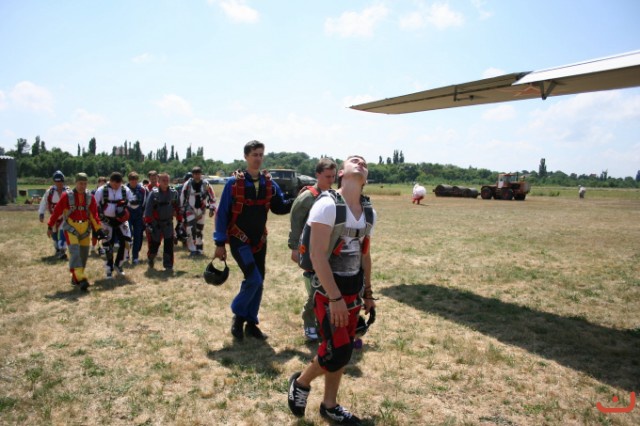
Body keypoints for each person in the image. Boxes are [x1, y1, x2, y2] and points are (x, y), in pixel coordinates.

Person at [288, 155, 376, 425]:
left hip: (353, 292)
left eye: (364, 162)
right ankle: (301, 383)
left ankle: (330, 405)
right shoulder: (327, 205)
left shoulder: (368, 211)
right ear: (341, 173)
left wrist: (368, 292)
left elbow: (365, 255)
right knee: (336, 350)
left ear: (366, 177)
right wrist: (335, 298)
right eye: (354, 160)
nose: (360, 162)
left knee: (343, 348)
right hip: (329, 292)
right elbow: (317, 256)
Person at [213, 140, 292, 340]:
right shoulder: (234, 184)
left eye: (260, 154)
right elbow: (222, 214)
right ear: (246, 157)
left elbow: (279, 207)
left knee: (259, 281)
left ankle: (251, 323)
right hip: (239, 240)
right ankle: (238, 317)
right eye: (254, 154)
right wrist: (219, 243)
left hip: (260, 241)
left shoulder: (269, 183)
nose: (258, 158)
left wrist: (299, 199)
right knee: (254, 279)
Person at [288, 158, 337, 342]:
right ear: (317, 175)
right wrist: (295, 248)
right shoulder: (307, 198)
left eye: (333, 176)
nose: (331, 180)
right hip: (310, 250)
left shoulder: (334, 196)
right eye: (327, 176)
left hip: (329, 249)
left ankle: (323, 321)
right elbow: (295, 223)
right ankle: (309, 321)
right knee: (316, 288)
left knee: (328, 286)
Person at [47, 173, 106, 291]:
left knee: (83, 255)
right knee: (75, 253)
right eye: (80, 183)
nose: (82, 186)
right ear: (76, 183)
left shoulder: (90, 197)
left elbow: (94, 215)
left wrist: (99, 229)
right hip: (71, 229)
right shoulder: (66, 196)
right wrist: (50, 226)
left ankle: (76, 277)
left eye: (85, 184)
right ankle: (81, 279)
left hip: (85, 229)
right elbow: (57, 211)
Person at [93, 172, 140, 278]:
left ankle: (118, 264)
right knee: (107, 246)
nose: (116, 186)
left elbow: (133, 203)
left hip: (121, 220)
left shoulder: (125, 190)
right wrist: (98, 219)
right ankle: (109, 268)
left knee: (127, 242)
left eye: (118, 184)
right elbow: (94, 205)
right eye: (114, 184)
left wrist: (132, 202)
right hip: (106, 221)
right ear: (110, 181)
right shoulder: (101, 190)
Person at [144, 173, 183, 271]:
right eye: (163, 180)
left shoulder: (174, 193)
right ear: (159, 181)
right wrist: (148, 223)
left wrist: (180, 221)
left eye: (167, 180)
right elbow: (148, 209)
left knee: (169, 244)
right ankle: (151, 258)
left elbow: (178, 208)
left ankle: (168, 265)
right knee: (155, 244)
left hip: (168, 223)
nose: (165, 182)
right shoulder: (153, 193)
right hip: (156, 224)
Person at [181, 166, 217, 256]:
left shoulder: (206, 184)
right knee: (190, 229)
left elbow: (212, 196)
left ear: (201, 174)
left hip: (201, 210)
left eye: (198, 174)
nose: (197, 176)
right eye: (195, 174)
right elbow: (183, 196)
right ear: (192, 175)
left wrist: (212, 208)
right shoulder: (188, 184)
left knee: (199, 230)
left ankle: (199, 249)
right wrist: (182, 209)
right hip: (190, 209)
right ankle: (192, 249)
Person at [39, 170, 69, 259]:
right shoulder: (50, 191)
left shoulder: (68, 191)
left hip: (64, 217)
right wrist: (41, 213)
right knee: (54, 233)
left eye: (60, 182)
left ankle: (62, 250)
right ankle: (57, 248)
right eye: (57, 182)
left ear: (63, 181)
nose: (59, 184)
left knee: (63, 231)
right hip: (54, 216)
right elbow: (44, 202)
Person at [126, 171, 148, 265]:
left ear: (137, 180)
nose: (133, 181)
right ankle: (126, 254)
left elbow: (145, 203)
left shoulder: (143, 189)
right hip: (128, 215)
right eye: (131, 180)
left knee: (138, 236)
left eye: (135, 179)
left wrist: (144, 215)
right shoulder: (124, 189)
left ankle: (135, 256)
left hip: (139, 215)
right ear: (129, 180)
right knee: (128, 235)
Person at [90, 176, 107, 255]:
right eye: (101, 183)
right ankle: (93, 246)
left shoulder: (107, 193)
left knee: (104, 231)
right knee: (95, 232)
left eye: (104, 183)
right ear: (98, 183)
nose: (102, 184)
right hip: (95, 215)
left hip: (104, 214)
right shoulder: (93, 192)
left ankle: (102, 247)